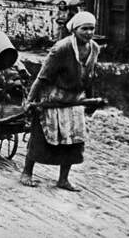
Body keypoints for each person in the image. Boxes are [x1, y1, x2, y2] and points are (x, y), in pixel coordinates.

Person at [19, 11, 101, 192]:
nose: (88, 32)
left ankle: (63, 180)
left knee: (74, 141)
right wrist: (30, 100)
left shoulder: (94, 48)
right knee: (41, 138)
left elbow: (90, 76)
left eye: (91, 28)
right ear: (74, 29)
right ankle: (27, 173)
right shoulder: (61, 48)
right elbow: (42, 77)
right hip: (52, 99)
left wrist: (89, 100)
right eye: (84, 29)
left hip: (75, 101)